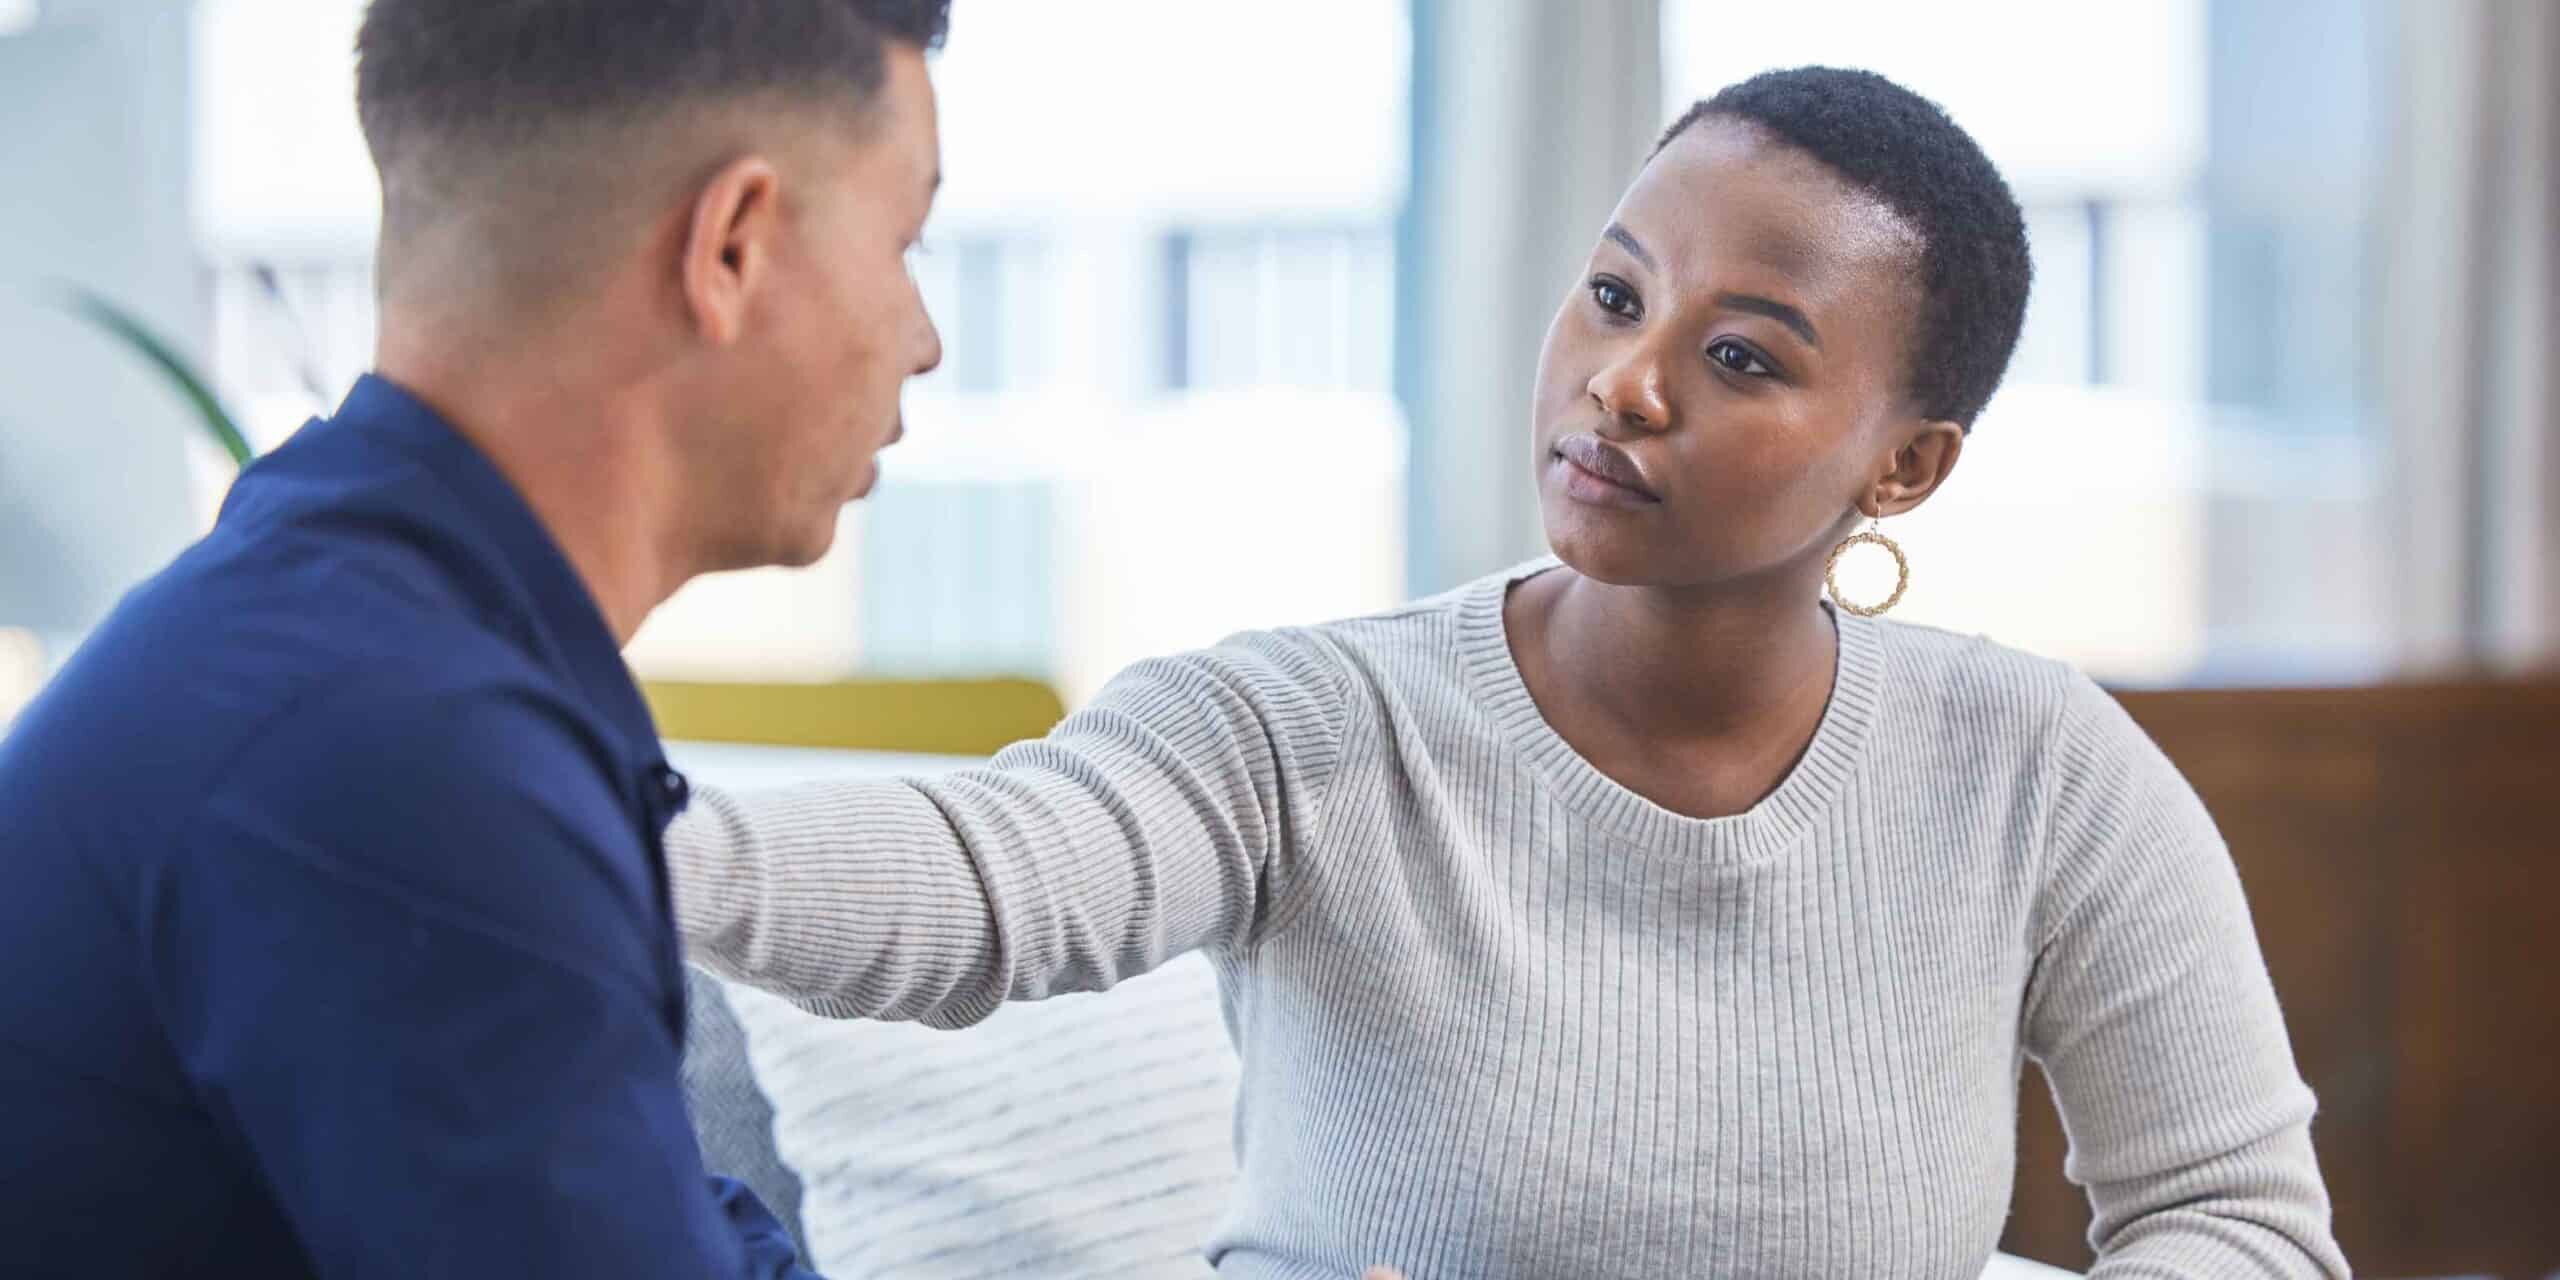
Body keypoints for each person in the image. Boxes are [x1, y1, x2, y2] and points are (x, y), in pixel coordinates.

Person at [672, 68, 2351, 1277]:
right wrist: (612, 830)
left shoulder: (2037, 770)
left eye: (1741, 354)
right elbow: (993, 878)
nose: (1623, 381)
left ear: (1903, 467)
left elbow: (2239, 1221)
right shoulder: (1305, 726)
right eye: (1615, 293)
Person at [0, 2, 949, 1274]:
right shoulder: (394, 748)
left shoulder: (345, 631)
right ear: (729, 245)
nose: (924, 339)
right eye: (904, 240)